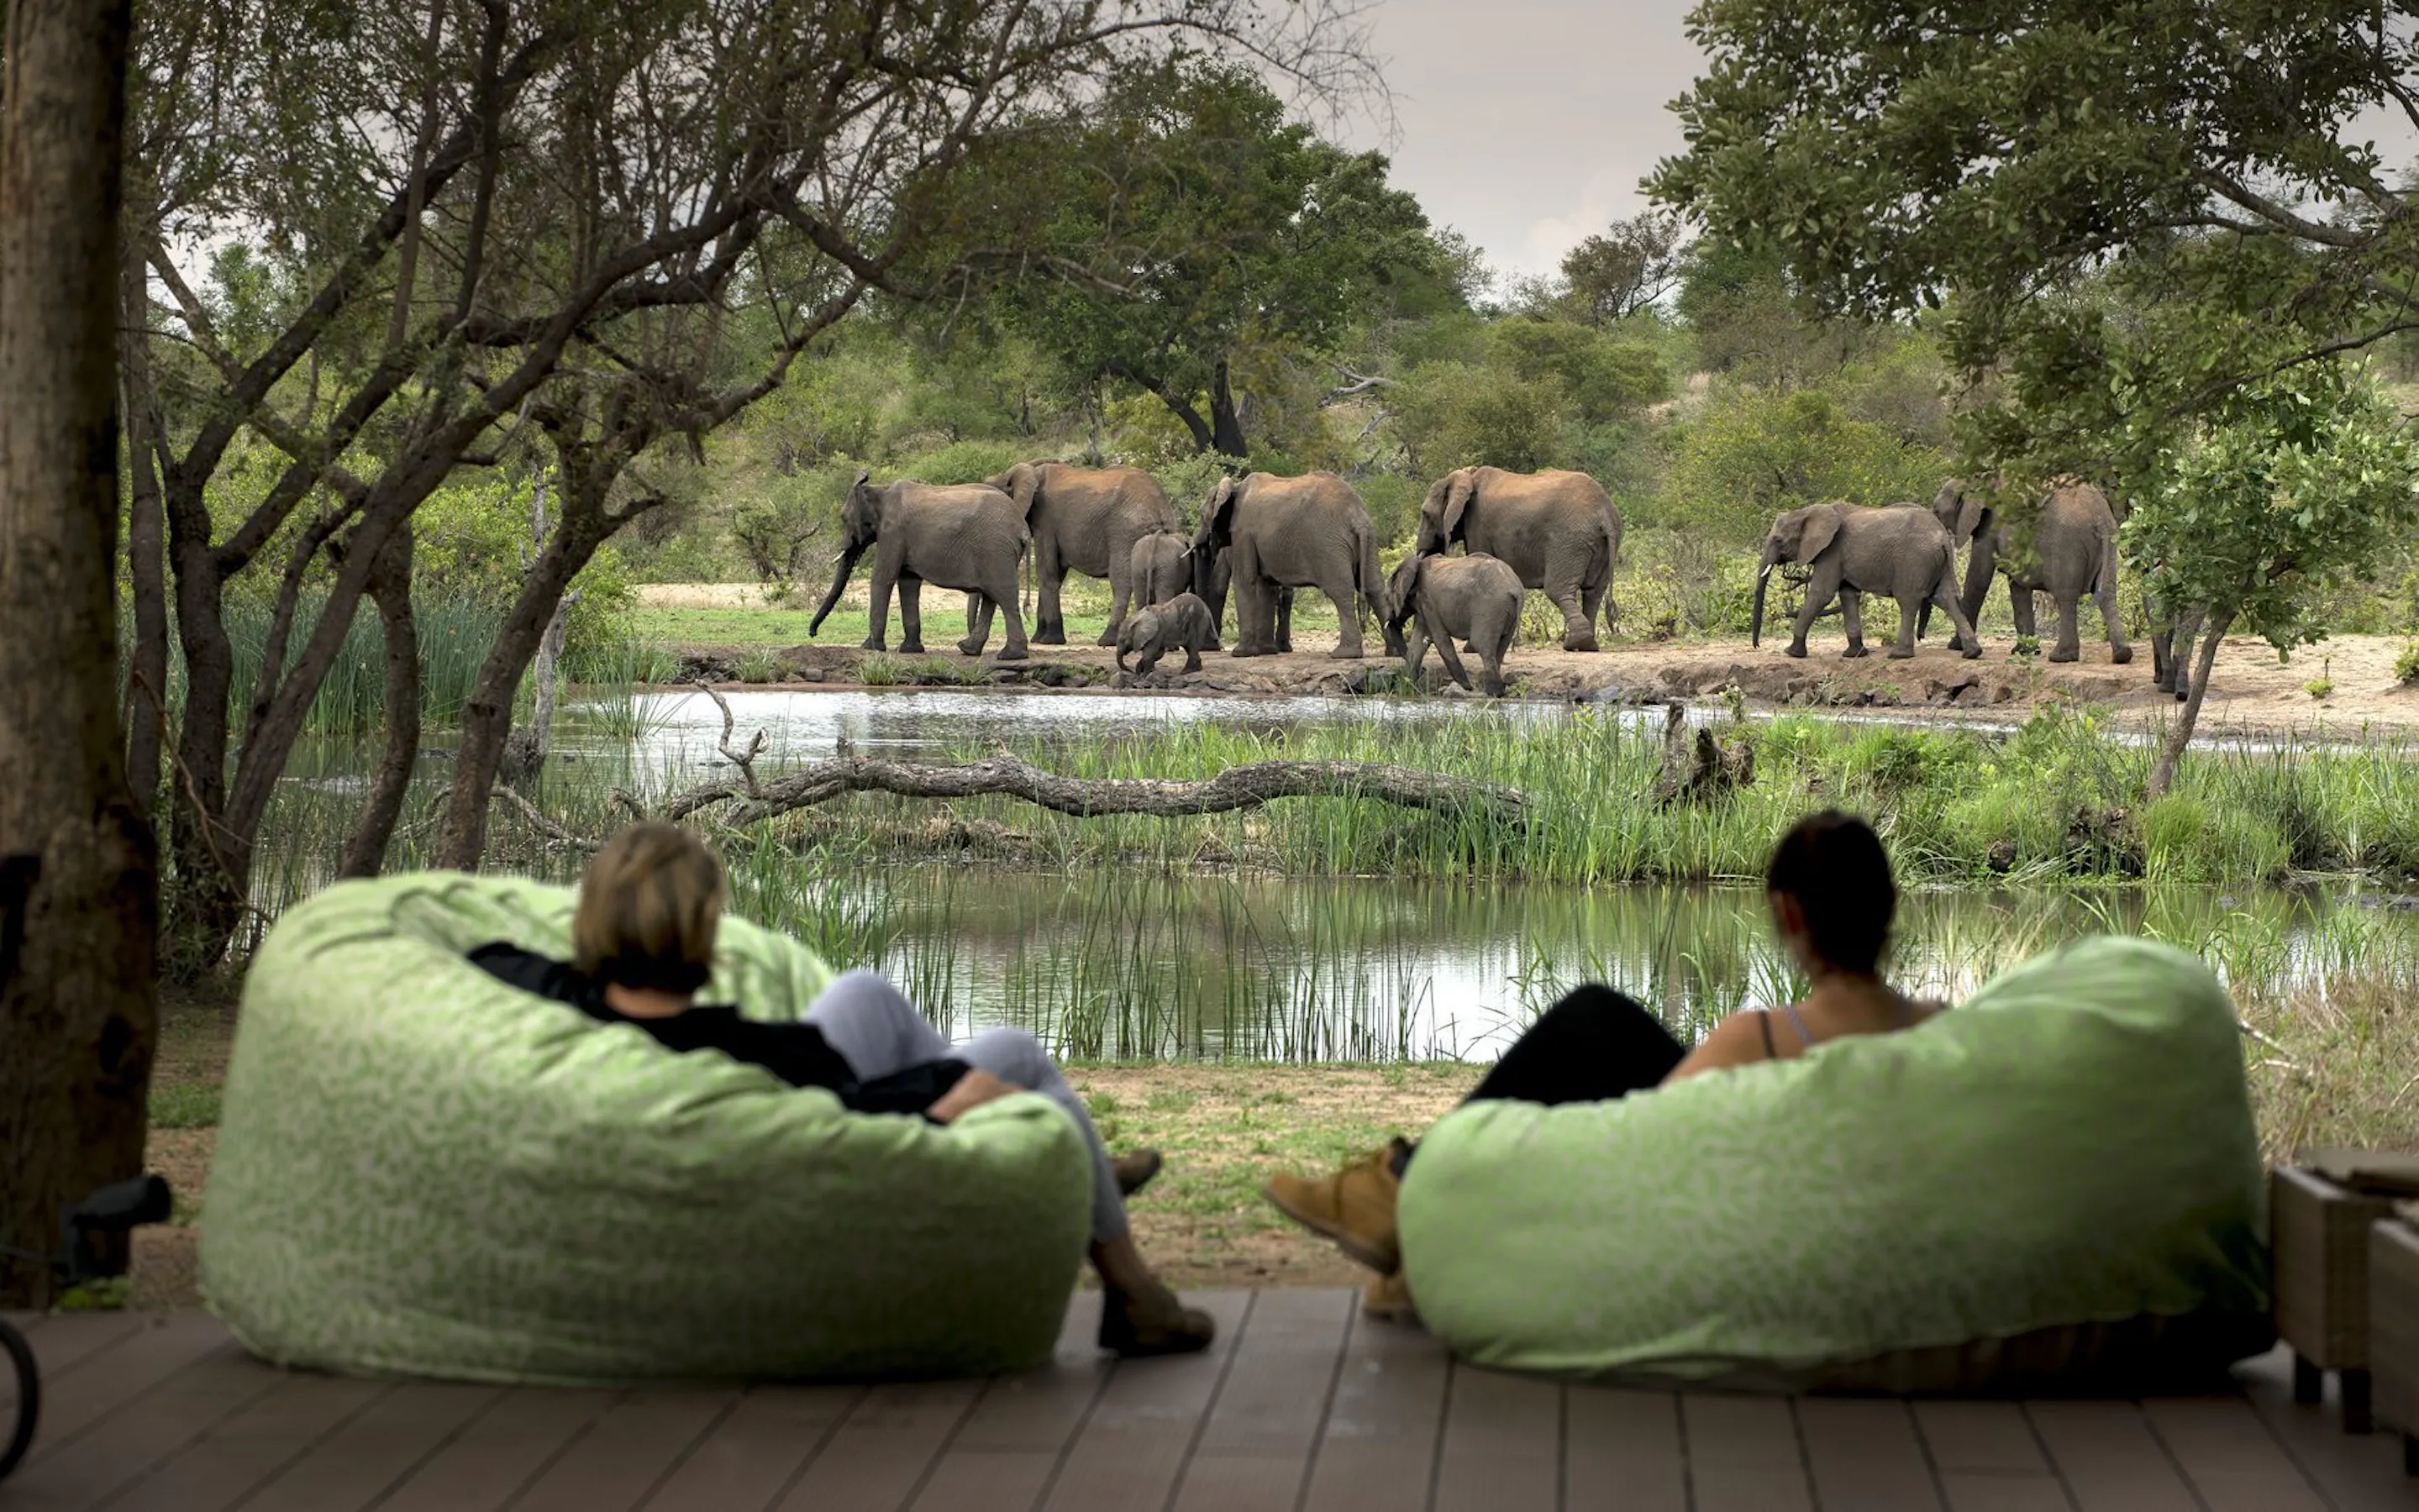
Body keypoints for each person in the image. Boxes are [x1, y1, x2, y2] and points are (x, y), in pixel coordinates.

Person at [470, 822, 1214, 1357]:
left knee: (864, 992)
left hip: (711, 1051)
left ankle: (1088, 1179)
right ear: (703, 932)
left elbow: (487, 950)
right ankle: (1131, 1286)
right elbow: (843, 1127)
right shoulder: (756, 1050)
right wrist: (949, 1106)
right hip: (842, 1120)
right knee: (1017, 1056)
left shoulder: (555, 994)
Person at [1263, 810, 1940, 1317]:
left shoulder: (1757, 1039)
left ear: (1788, 915)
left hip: (1776, 1227)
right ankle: (1401, 1210)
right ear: (1889, 909)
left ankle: (1395, 1188)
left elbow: (1632, 1148)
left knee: (1596, 1021)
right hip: (1875, 1226)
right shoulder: (1945, 1031)